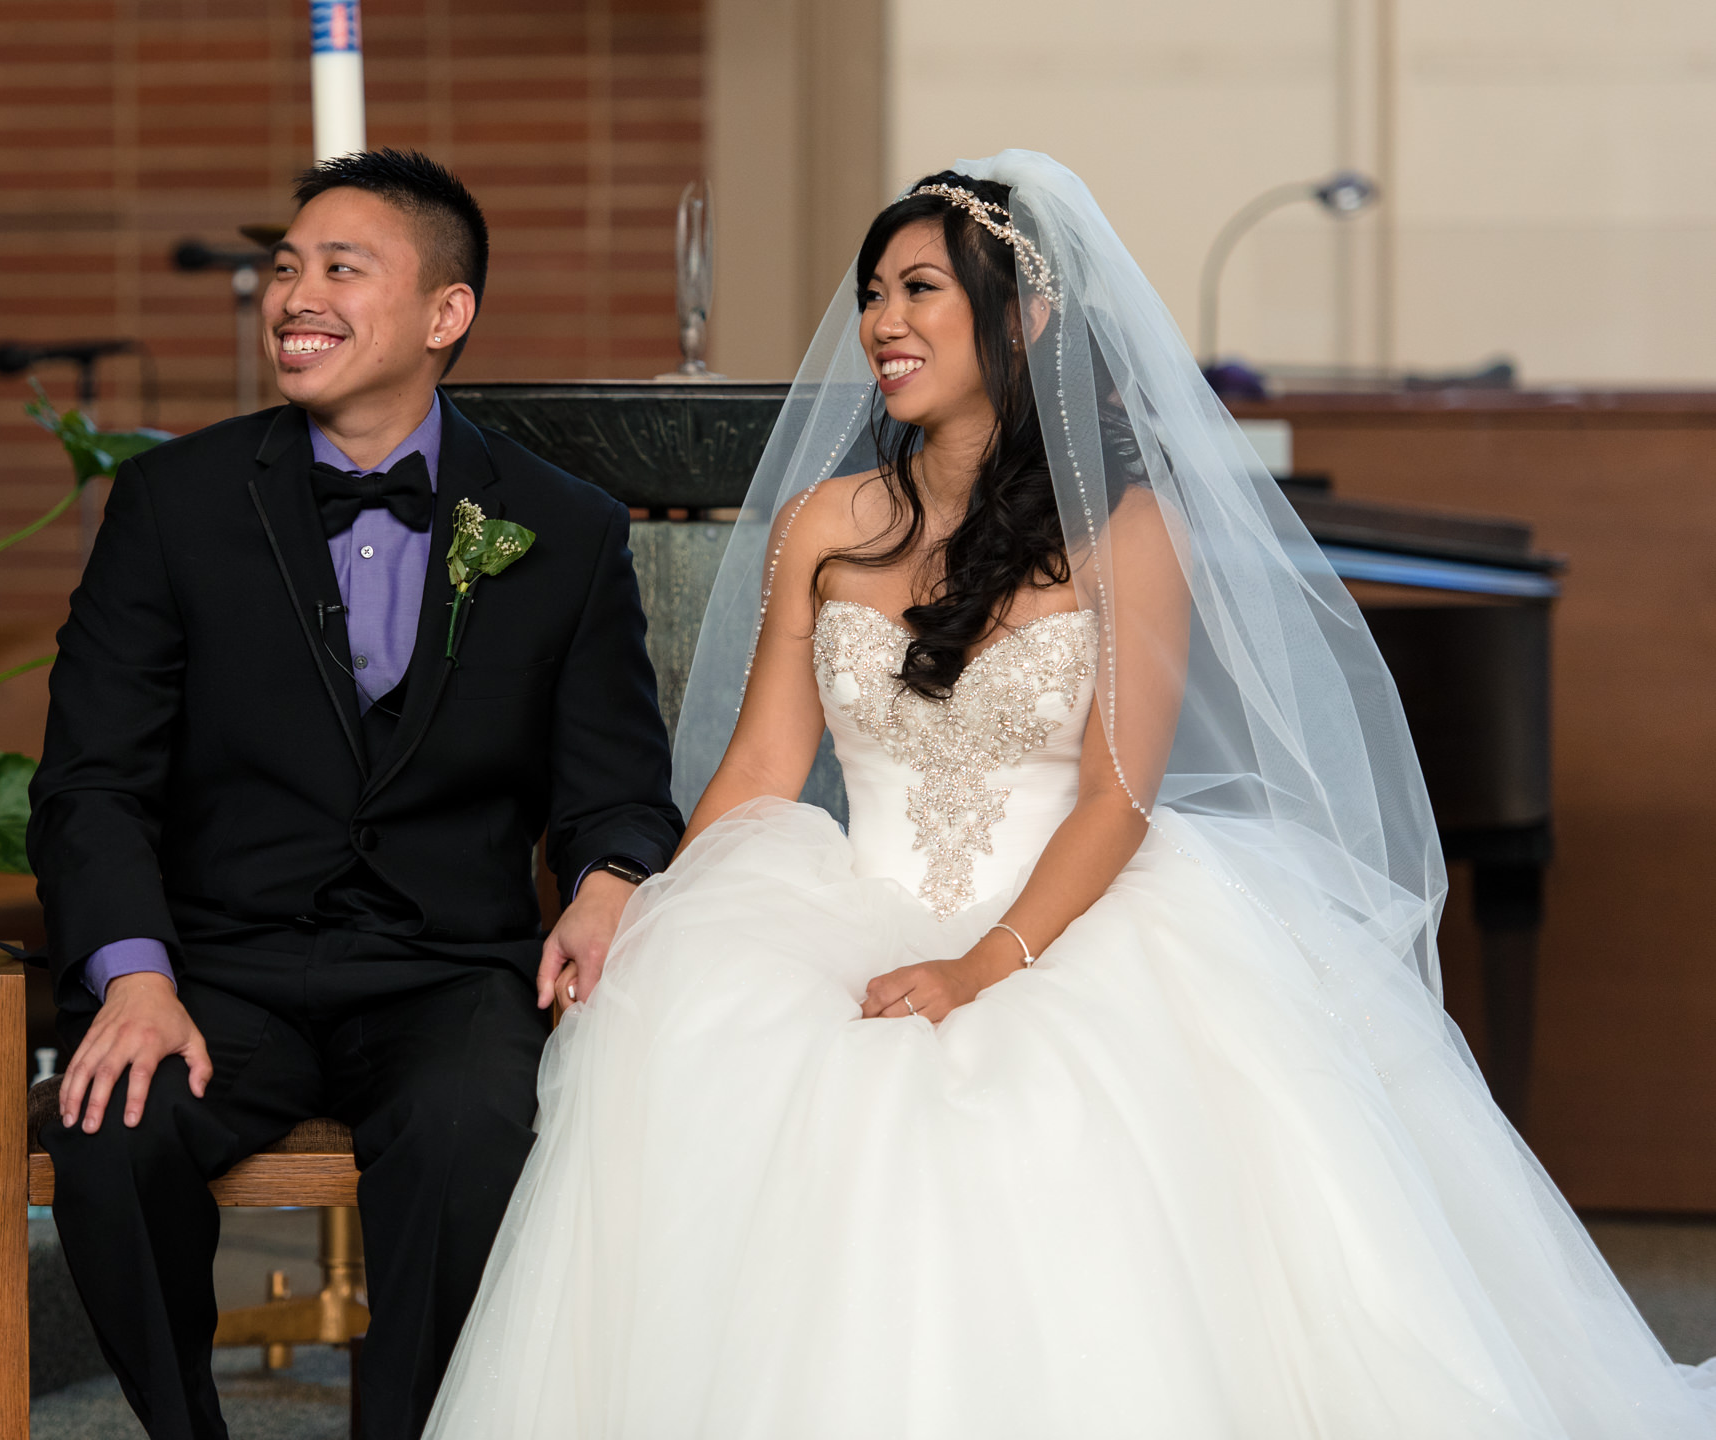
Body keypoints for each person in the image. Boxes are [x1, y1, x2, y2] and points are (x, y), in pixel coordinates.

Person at [424, 152, 1716, 1437]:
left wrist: (981, 967)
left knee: (1035, 1124)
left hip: (1067, 916)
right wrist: (654, 912)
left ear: (1025, 318)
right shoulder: (822, 521)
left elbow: (1116, 796)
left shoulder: (1129, 531)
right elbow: (763, 766)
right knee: (701, 1045)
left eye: (921, 288)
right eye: (872, 290)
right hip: (843, 897)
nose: (881, 322)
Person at [27, 148, 682, 1440]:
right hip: (218, 972)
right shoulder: (173, 504)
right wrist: (136, 977)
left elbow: (617, 792)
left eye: (340, 268)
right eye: (284, 268)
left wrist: (607, 886)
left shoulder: (561, 528)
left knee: (475, 1132)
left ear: (446, 315)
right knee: (111, 1128)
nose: (295, 295)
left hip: (444, 977)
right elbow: (89, 779)